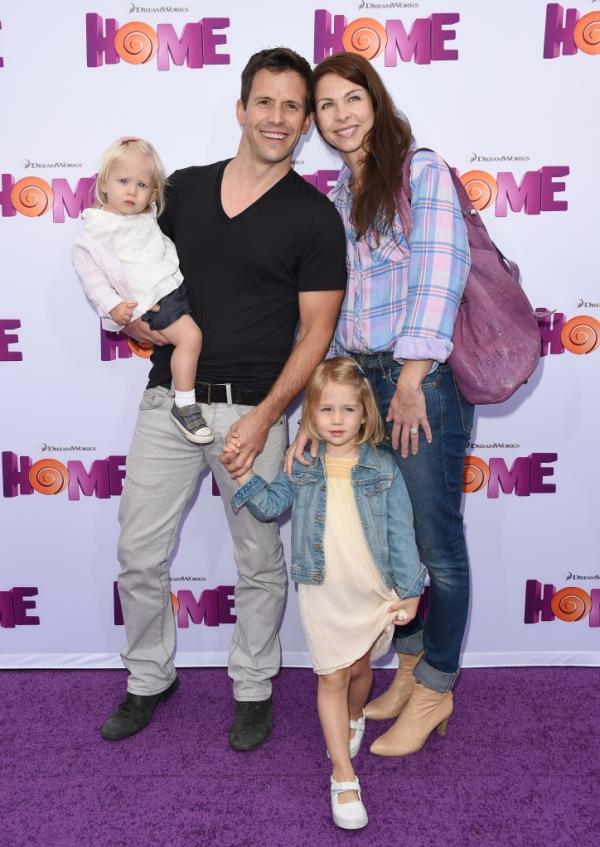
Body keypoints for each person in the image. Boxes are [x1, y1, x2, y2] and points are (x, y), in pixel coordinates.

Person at [98, 48, 347, 751]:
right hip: (168, 401)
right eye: (264, 102)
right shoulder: (181, 191)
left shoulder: (314, 217)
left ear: (304, 124)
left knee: (260, 561)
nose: (276, 117)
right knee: (138, 554)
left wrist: (267, 417)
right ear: (241, 109)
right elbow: (130, 267)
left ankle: (253, 687)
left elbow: (319, 330)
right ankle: (149, 676)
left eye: (292, 106)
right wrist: (127, 316)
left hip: (255, 413)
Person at [288, 52, 473, 757]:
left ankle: (436, 687)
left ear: (375, 97)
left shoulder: (418, 171)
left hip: (414, 380)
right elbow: (342, 307)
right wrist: (325, 398)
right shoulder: (341, 190)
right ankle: (411, 669)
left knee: (436, 545)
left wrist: (412, 374)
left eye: (350, 98)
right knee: (385, 538)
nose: (340, 114)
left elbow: (440, 270)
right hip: (363, 383)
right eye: (326, 105)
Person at [226, 357, 425, 829]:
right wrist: (242, 477)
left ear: (365, 414)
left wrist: (411, 590)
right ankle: (343, 777)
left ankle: (356, 714)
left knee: (359, 671)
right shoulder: (303, 465)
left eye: (347, 410)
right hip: (322, 587)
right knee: (331, 676)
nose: (336, 420)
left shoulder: (383, 468)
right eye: (326, 410)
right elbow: (272, 505)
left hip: (372, 587)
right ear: (310, 417)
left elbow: (401, 532)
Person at [72, 137, 213, 444]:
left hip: (172, 288)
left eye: (141, 184)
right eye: (123, 181)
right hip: (153, 301)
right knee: (191, 338)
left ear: (153, 192)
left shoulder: (145, 216)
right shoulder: (98, 230)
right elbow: (92, 277)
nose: (131, 191)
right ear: (105, 184)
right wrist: (113, 307)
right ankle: (185, 405)